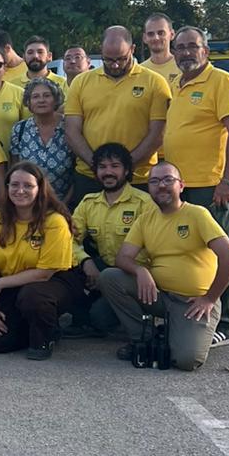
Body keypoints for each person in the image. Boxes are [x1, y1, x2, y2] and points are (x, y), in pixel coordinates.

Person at [99, 161, 229, 370]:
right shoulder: (145, 219)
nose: (161, 186)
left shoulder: (197, 214)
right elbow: (123, 258)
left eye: (168, 180)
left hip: (193, 303)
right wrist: (141, 271)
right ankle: (143, 337)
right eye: (154, 181)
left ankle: (176, 332)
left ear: (181, 185)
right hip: (159, 294)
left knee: (186, 361)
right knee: (110, 277)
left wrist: (210, 298)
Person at [162, 25, 229, 346]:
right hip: (179, 186)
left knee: (216, 253)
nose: (185, 52)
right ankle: (194, 317)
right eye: (180, 47)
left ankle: (223, 323)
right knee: (188, 254)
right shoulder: (178, 84)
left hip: (209, 186)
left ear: (205, 51)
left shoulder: (220, 81)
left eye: (192, 46)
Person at [0, 162, 80, 360]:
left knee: (32, 296)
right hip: (14, 283)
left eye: (28, 185)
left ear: (40, 188)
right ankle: (35, 325)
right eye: (14, 185)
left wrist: (1, 282)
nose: (20, 190)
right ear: (6, 187)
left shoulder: (54, 221)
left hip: (55, 281)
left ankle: (44, 337)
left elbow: (45, 273)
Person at [64, 27, 172, 203]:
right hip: (89, 176)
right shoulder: (81, 82)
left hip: (137, 178)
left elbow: (157, 134)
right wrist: (99, 166)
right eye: (108, 59)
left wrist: (124, 167)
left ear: (133, 50)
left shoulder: (155, 82)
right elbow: (71, 130)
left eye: (121, 59)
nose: (114, 65)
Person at [70, 143, 157, 336]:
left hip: (136, 276)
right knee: (66, 269)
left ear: (127, 171)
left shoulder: (145, 204)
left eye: (115, 166)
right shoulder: (88, 204)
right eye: (102, 167)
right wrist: (85, 261)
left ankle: (143, 327)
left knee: (100, 317)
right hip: (103, 269)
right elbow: (67, 239)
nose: (108, 172)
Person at [9, 77, 73, 202]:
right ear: (29, 102)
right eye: (35, 97)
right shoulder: (19, 129)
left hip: (66, 203)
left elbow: (78, 174)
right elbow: (15, 169)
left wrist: (63, 205)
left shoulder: (69, 127)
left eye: (47, 95)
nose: (41, 100)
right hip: (28, 203)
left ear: (56, 99)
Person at [142, 12, 182, 88]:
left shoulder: (182, 68)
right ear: (144, 38)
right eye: (151, 34)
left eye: (161, 33)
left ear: (172, 34)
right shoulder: (139, 71)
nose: (156, 38)